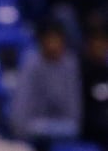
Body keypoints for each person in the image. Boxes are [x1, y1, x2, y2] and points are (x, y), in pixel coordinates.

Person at [9, 20, 82, 151]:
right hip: (31, 135)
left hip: (64, 132)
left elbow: (75, 115)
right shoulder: (30, 64)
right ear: (41, 41)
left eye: (57, 40)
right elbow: (19, 117)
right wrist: (36, 128)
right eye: (49, 40)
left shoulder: (70, 64)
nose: (53, 45)